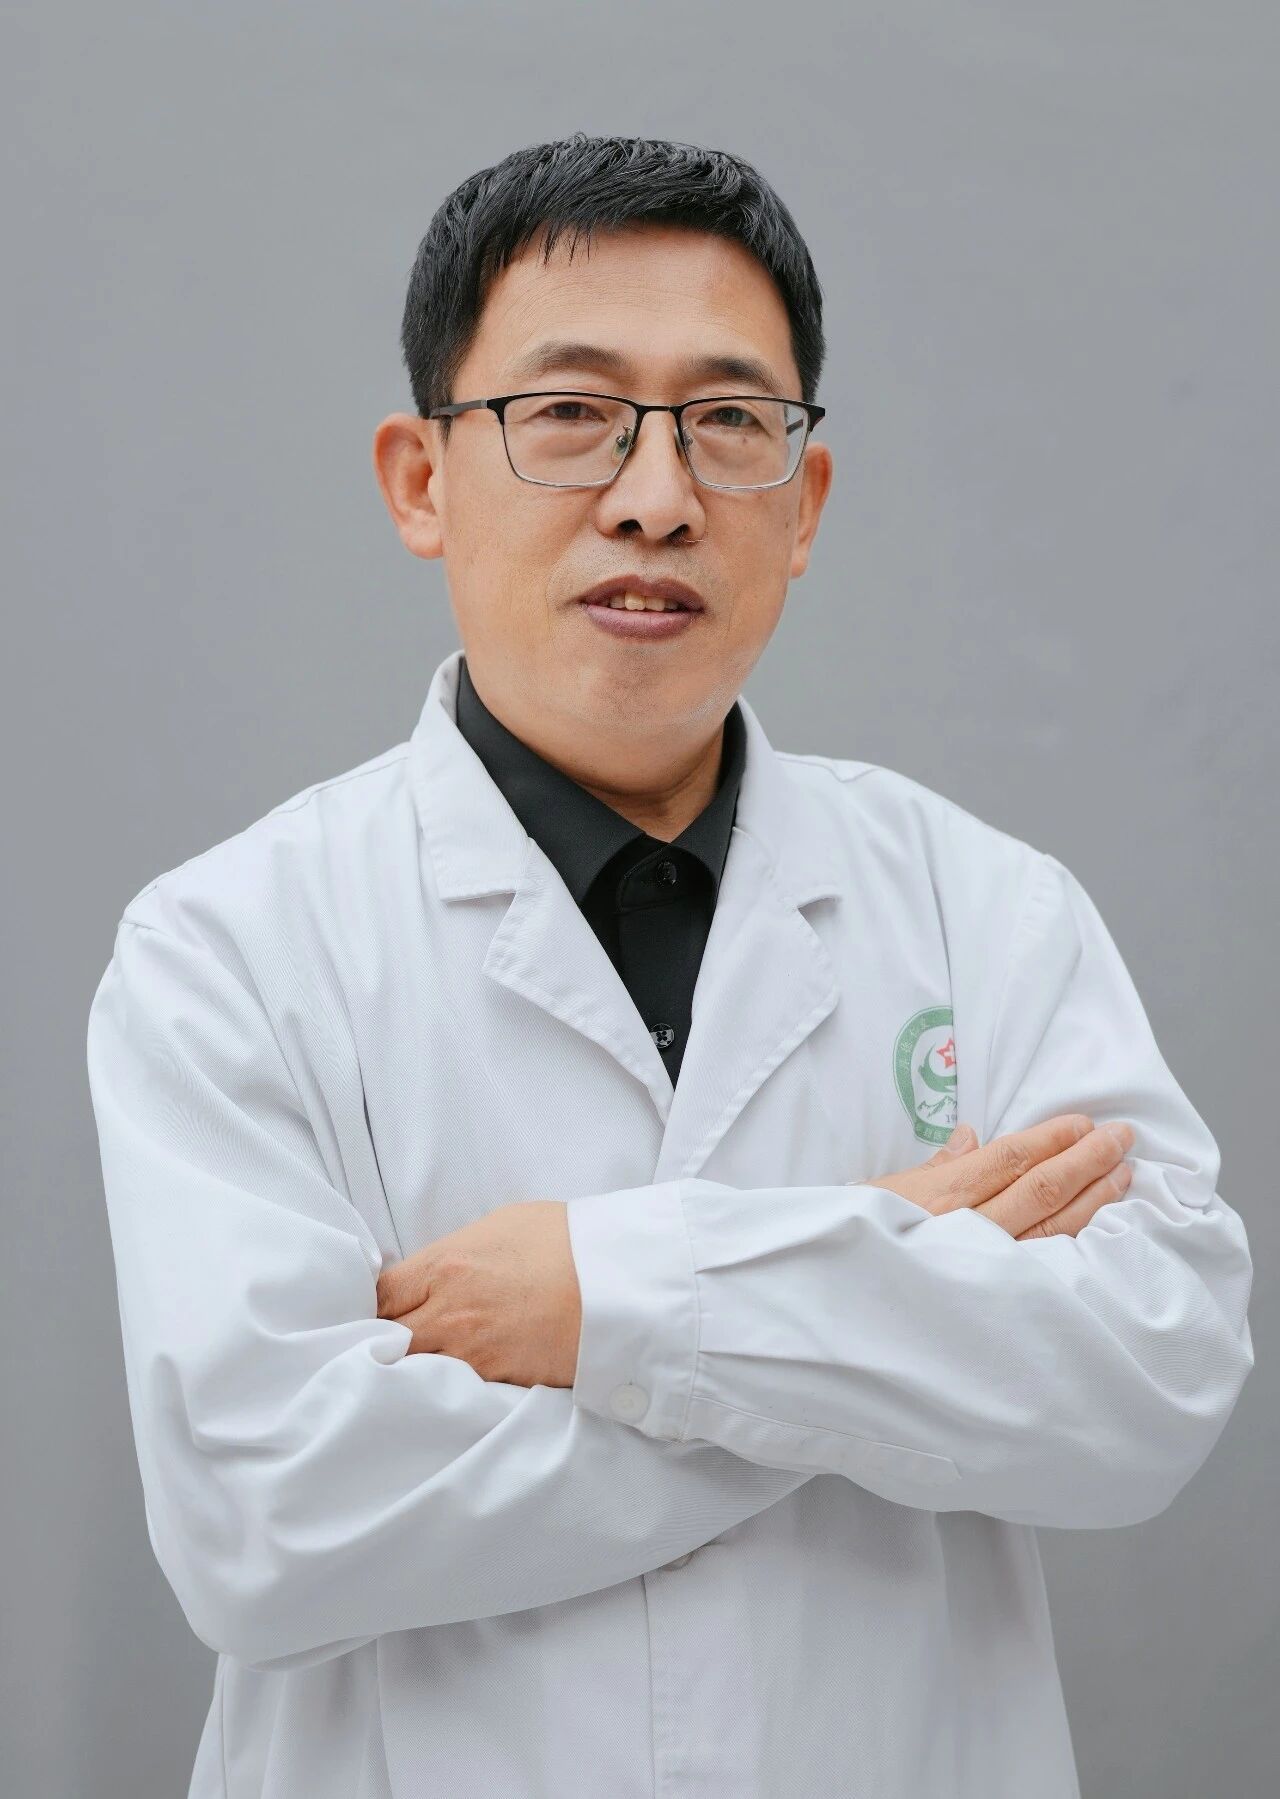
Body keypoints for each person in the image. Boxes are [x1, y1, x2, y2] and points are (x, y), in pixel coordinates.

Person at [86, 133, 1254, 1799]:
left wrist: (607, 1296)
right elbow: (267, 1525)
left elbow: (1152, 1381)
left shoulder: (987, 909)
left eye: (729, 423)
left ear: (806, 502)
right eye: (571, 414)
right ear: (421, 481)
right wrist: (880, 1275)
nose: (656, 495)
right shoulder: (228, 948)